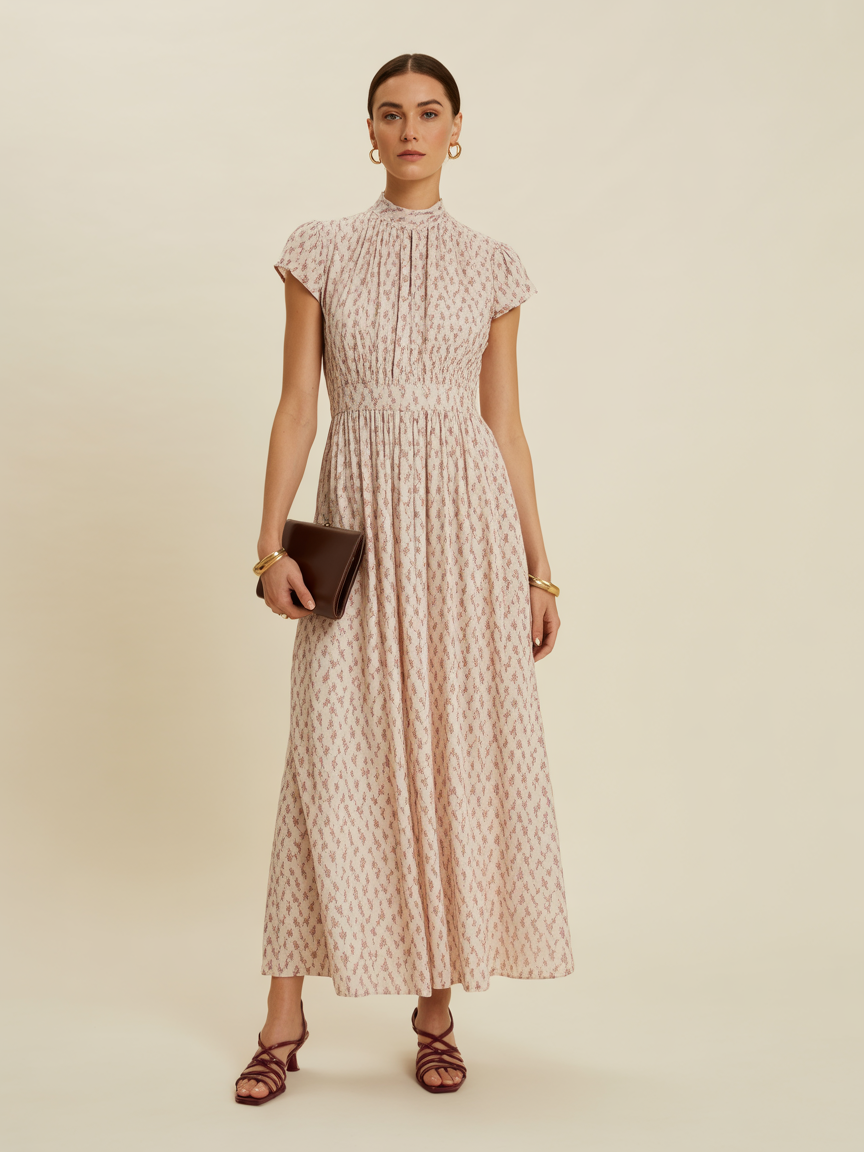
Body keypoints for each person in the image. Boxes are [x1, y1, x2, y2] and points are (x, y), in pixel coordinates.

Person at [235, 52, 573, 1104]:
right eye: (391, 113)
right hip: (363, 520)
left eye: (430, 112)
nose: (411, 128)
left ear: (457, 128)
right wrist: (270, 546)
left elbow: (505, 428)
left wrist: (540, 571)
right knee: (327, 751)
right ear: (369, 131)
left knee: (448, 750)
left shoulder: (494, 266)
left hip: (465, 532)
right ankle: (282, 1013)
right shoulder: (321, 251)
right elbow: (299, 405)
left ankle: (435, 1010)